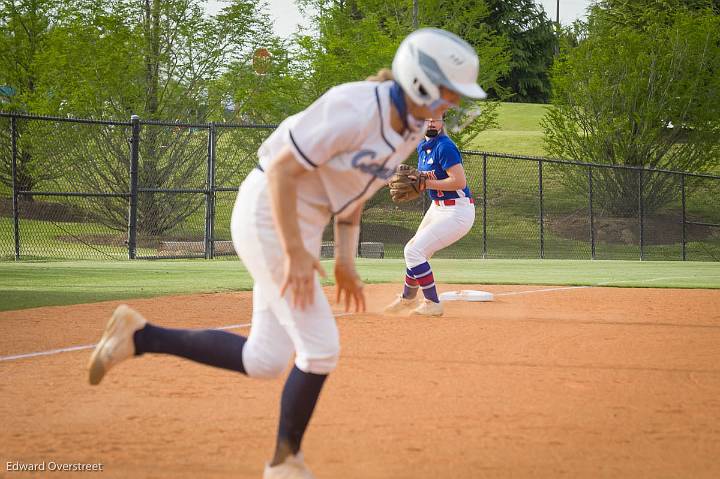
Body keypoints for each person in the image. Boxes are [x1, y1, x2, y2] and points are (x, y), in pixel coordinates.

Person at [87, 27, 486, 479]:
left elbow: (353, 198)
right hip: (267, 212)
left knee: (264, 359)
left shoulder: (410, 129)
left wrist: (345, 262)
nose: (452, 104)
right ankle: (284, 463)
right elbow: (279, 171)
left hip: (302, 223)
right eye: (448, 93)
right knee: (321, 348)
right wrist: (296, 253)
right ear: (420, 83)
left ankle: (138, 336)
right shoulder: (354, 107)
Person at [384, 114, 476, 317]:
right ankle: (408, 299)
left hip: (457, 211)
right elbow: (419, 178)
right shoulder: (423, 147)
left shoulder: (445, 147)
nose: (432, 122)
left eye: (436, 119)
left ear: (442, 122)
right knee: (416, 252)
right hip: (438, 207)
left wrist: (425, 183)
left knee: (413, 251)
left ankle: (433, 303)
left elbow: (459, 182)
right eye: (426, 119)